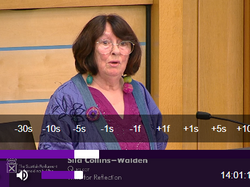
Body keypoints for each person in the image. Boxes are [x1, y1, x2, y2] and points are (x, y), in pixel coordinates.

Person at [38, 14, 168, 150]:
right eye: (105, 43)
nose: (116, 51)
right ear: (89, 49)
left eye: (123, 43)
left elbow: (159, 145)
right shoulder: (66, 98)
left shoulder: (139, 91)